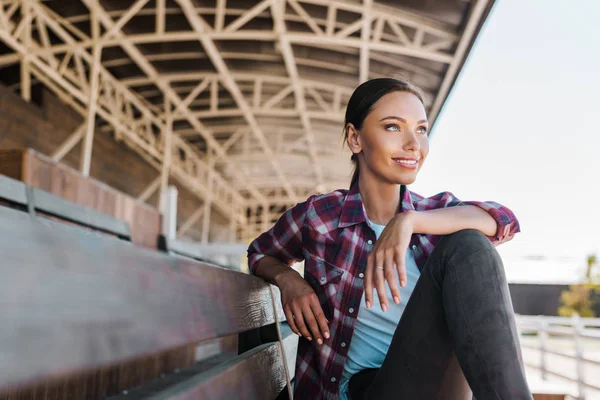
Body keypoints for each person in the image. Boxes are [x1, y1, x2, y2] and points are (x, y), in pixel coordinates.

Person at [247, 78, 532, 400]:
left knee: (469, 243)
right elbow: (259, 253)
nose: (414, 144)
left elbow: (504, 219)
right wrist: (288, 280)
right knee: (467, 240)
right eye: (393, 127)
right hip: (358, 391)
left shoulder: (435, 215)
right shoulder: (321, 217)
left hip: (434, 385)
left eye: (422, 129)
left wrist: (408, 220)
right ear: (356, 139)